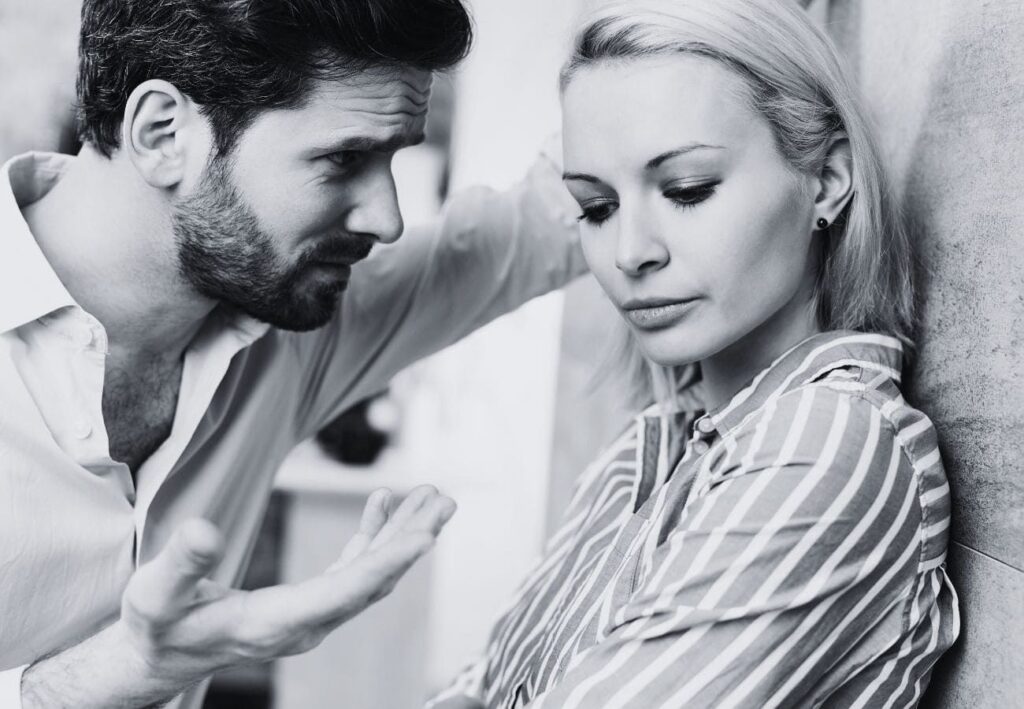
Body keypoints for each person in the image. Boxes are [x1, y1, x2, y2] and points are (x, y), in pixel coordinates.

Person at [0, 1, 585, 707]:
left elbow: (553, 218)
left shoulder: (291, 324)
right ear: (162, 133)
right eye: (344, 159)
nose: (387, 220)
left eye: (393, 157)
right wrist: (99, 681)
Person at [430, 1, 959, 707]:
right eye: (597, 207)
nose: (629, 253)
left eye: (687, 190)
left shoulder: (827, 443)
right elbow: (482, 686)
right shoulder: (645, 449)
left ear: (828, 180)